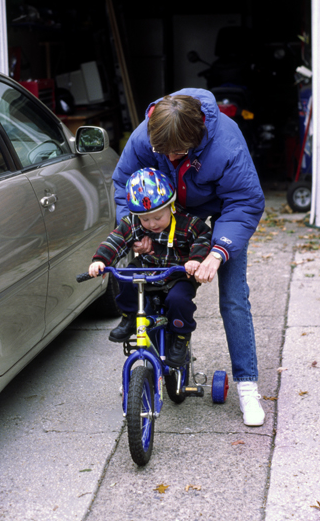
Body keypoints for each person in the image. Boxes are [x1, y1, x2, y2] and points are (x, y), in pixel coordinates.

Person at [113, 89, 266, 426]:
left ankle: (247, 386)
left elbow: (243, 203)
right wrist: (138, 233)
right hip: (164, 212)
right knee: (148, 283)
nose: (169, 157)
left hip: (218, 214)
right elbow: (125, 183)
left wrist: (217, 252)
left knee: (234, 298)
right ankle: (162, 356)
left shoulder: (226, 143)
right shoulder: (146, 137)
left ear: (198, 137)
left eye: (178, 152)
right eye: (162, 152)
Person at [88, 167, 212, 367]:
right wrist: (100, 260)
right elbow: (117, 238)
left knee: (179, 300)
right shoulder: (135, 223)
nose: (152, 224)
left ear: (171, 207)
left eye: (157, 217)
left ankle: (181, 338)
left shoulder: (187, 223)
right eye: (145, 219)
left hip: (178, 274)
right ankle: (129, 317)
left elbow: (204, 236)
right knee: (126, 274)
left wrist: (196, 259)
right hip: (149, 268)